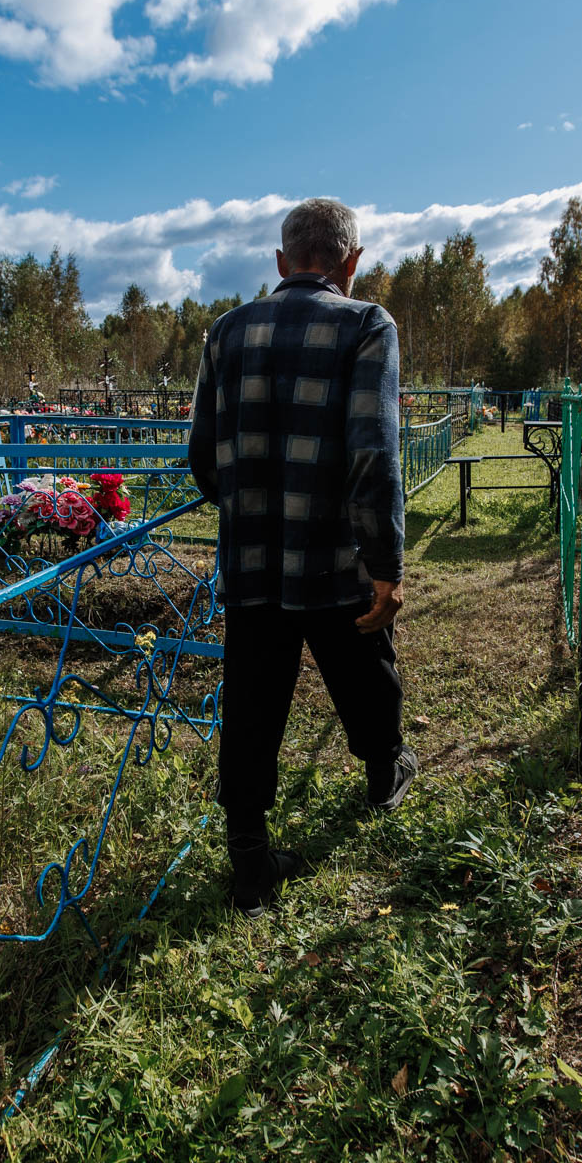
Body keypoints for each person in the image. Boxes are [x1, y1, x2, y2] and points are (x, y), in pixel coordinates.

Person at [188, 197, 417, 918]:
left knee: (252, 705)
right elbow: (372, 451)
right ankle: (383, 777)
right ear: (351, 264)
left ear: (282, 264)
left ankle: (251, 869)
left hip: (254, 560)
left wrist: (253, 502)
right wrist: (386, 562)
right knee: (363, 670)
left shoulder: (226, 332)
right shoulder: (365, 323)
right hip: (335, 556)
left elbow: (202, 456)